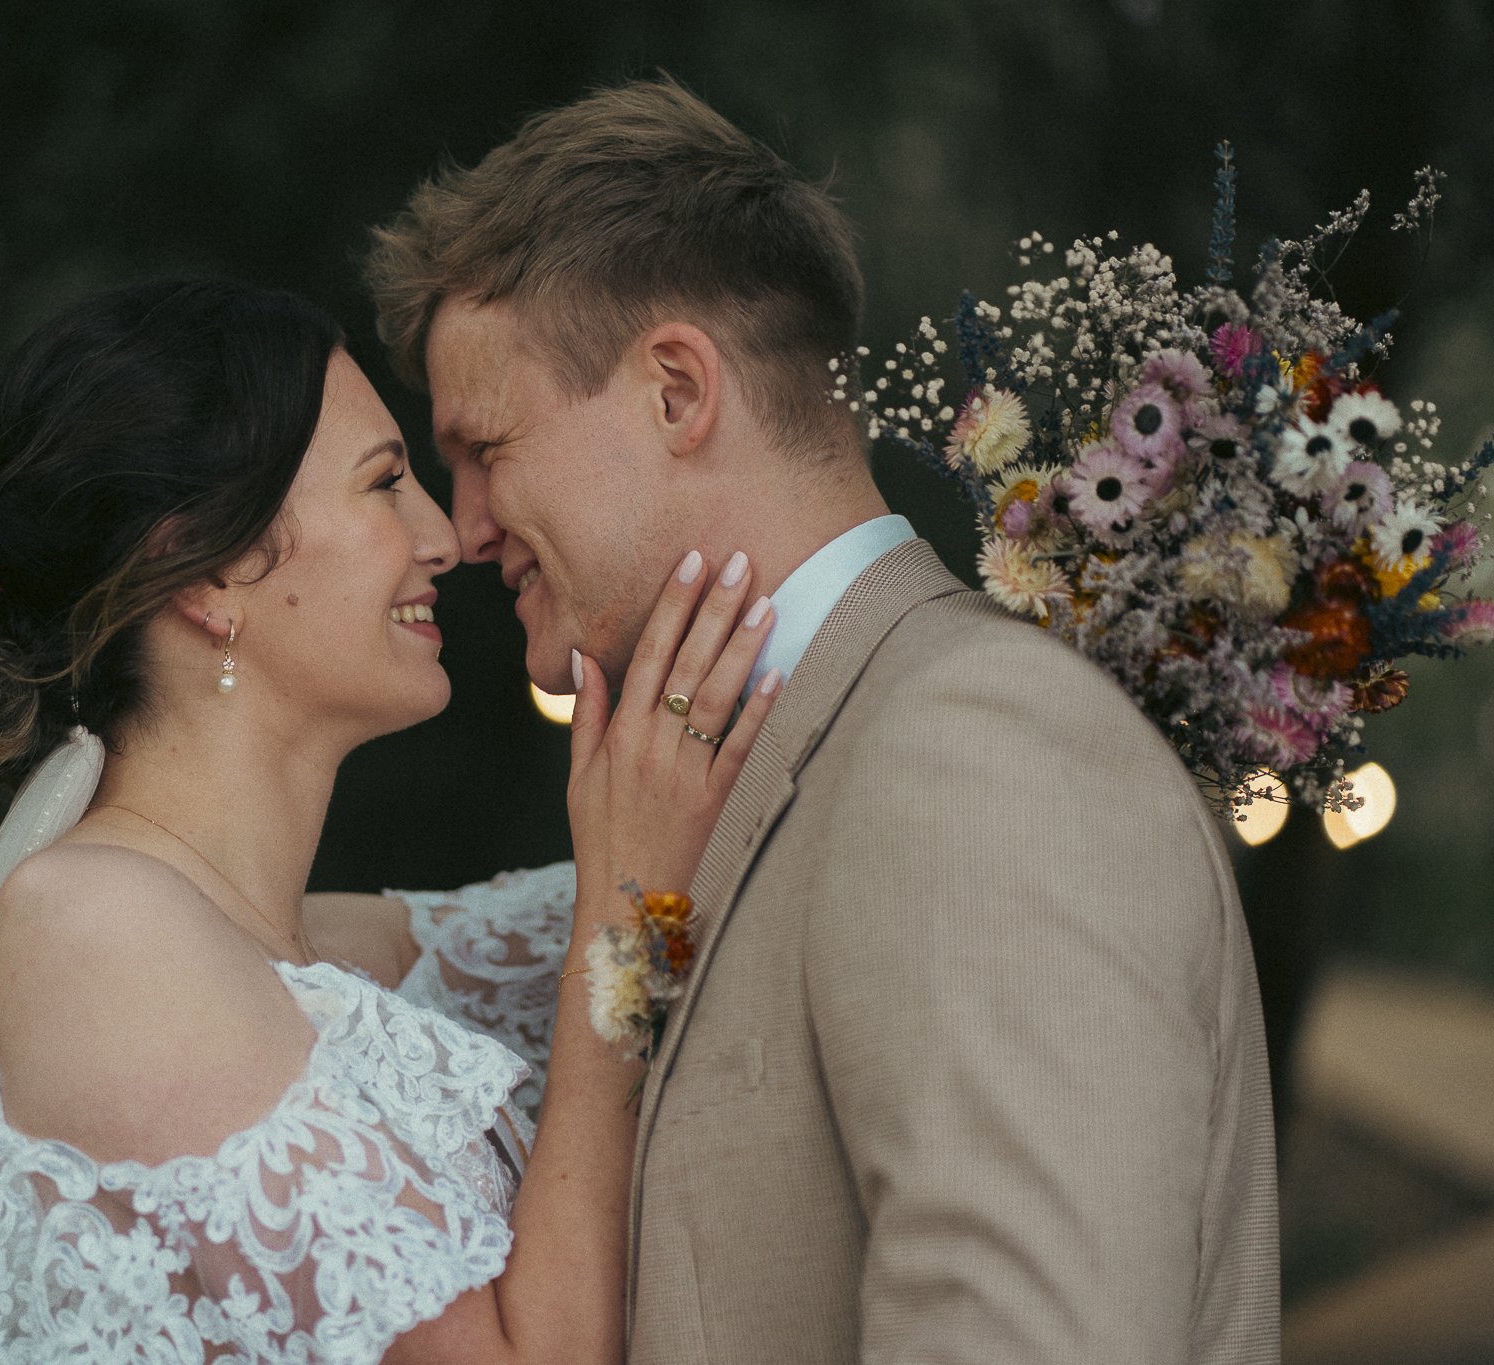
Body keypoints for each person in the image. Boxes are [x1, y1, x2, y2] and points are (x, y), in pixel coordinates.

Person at [365, 78, 1281, 1362]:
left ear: (676, 391)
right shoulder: (743, 768)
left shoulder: (978, 741)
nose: (460, 530)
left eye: (485, 447)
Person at [0, 278, 782, 1362]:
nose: (446, 536)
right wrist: (627, 918)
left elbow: (744, 881)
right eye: (384, 481)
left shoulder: (321, 957)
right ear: (208, 570)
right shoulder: (92, 932)